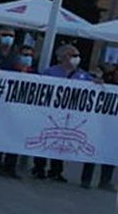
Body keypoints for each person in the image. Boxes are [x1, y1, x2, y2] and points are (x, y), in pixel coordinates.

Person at [32, 45, 95, 183]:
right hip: (51, 113)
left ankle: (56, 170)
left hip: (70, 115)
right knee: (47, 140)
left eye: (77, 55)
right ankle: (39, 167)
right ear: (62, 57)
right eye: (72, 55)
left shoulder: (82, 75)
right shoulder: (51, 72)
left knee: (62, 141)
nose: (76, 58)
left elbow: (93, 86)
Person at [0, 45, 34, 179]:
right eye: (25, 55)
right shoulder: (9, 68)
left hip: (21, 111)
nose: (27, 58)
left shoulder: (34, 73)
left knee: (15, 137)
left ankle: (10, 166)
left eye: (30, 55)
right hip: (4, 108)